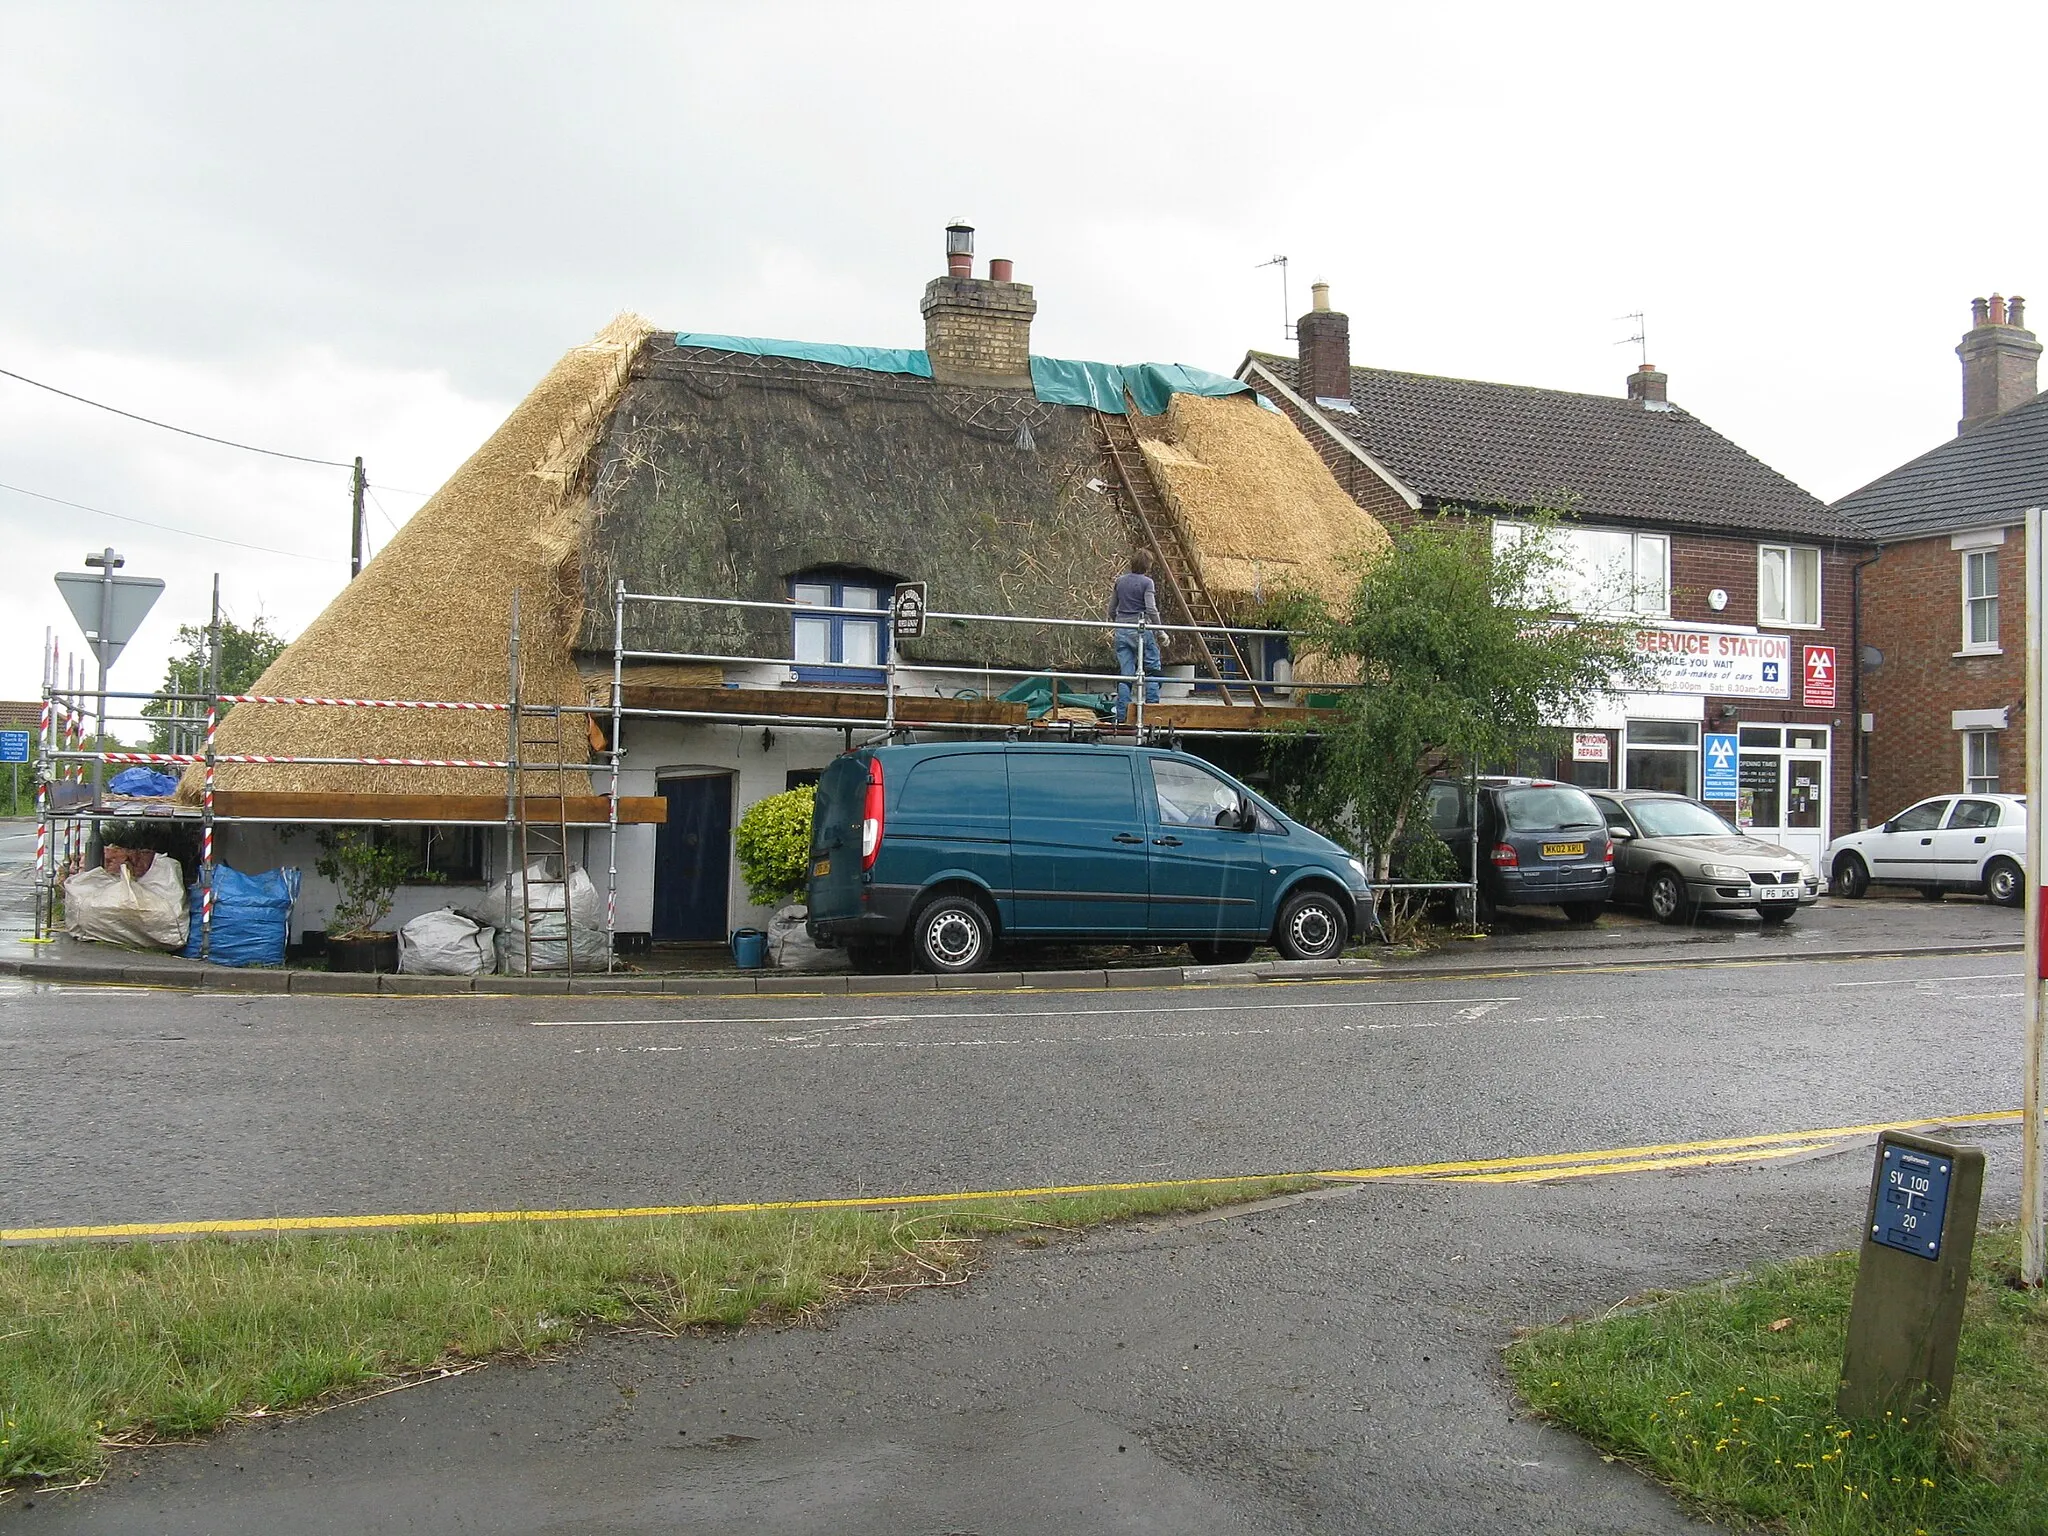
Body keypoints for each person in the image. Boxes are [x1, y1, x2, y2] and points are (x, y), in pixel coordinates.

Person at [1107, 550, 1163, 718]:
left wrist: (1119, 621)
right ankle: (1152, 713)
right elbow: (1151, 608)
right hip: (1140, 628)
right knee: (1153, 668)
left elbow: (1111, 609)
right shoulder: (1147, 583)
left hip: (1122, 629)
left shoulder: (1120, 581)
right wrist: (1160, 631)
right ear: (1148, 566)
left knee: (1126, 672)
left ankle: (1122, 715)